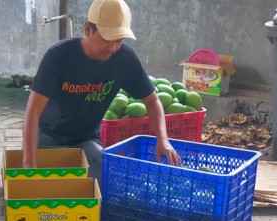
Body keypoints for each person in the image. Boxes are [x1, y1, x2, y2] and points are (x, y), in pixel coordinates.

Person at [22, 0, 180, 180]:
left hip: (87, 141)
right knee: (47, 189)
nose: (113, 48)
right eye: (107, 39)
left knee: (101, 182)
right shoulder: (59, 56)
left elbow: (152, 101)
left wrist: (163, 139)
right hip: (48, 137)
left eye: (119, 40)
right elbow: (32, 112)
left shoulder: (125, 59)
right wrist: (29, 163)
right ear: (88, 29)